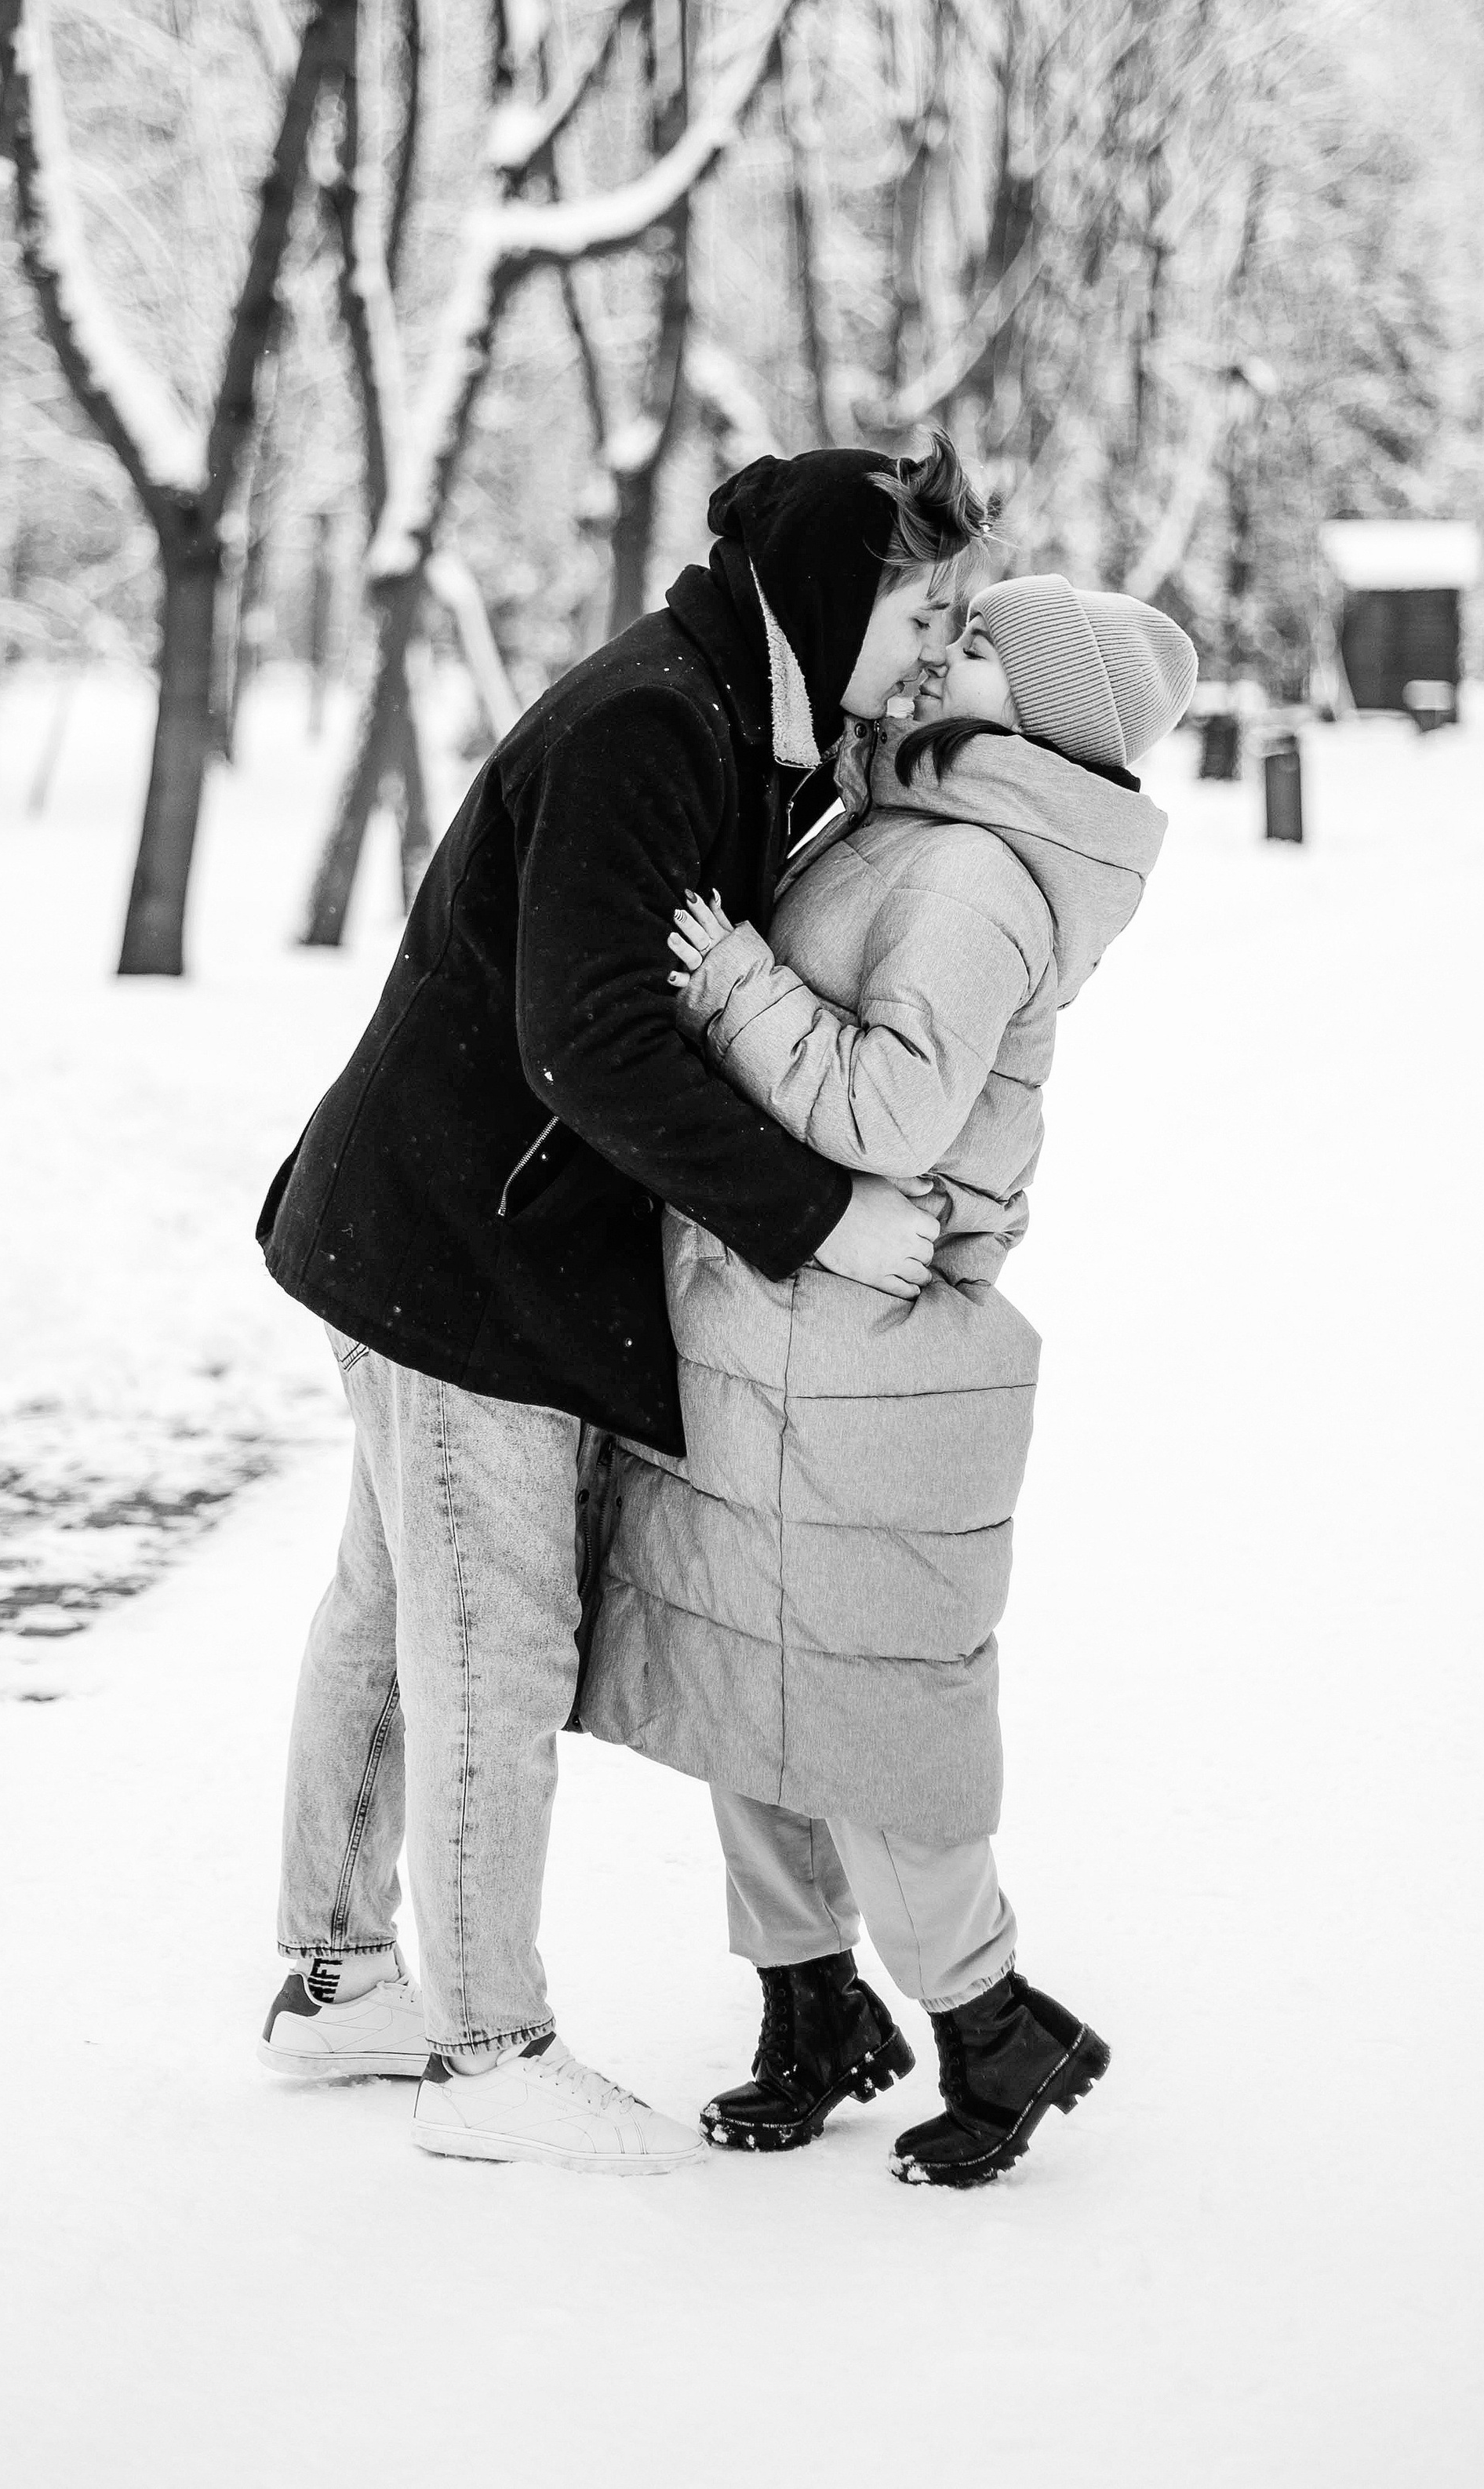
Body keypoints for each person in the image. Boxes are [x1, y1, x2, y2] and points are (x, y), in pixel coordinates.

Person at [253, 440, 991, 2172]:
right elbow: (586, 1036)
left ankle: (337, 1978)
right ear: (828, 592)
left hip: (442, 1231)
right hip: (461, 1254)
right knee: (488, 1646)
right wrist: (814, 1214)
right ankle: (484, 2051)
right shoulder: (652, 723)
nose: (940, 653)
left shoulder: (730, 715)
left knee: (386, 1616)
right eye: (923, 613)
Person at [578, 573, 1197, 2187]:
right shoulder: (892, 821)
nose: (942, 649)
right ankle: (808, 2008)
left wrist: (728, 983)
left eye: (980, 645)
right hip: (764, 1323)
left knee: (862, 1715)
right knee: (740, 1681)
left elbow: (890, 1119)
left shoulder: (977, 875)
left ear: (1043, 714)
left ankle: (994, 2020)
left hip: (863, 1356)